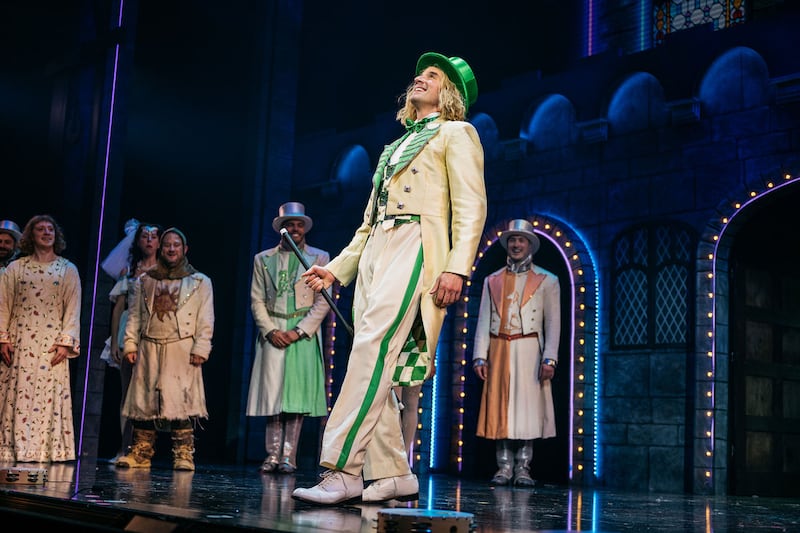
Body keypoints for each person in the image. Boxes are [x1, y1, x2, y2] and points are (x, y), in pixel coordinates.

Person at [293, 51, 486, 505]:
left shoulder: (457, 133)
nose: (420, 78)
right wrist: (337, 268)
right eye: (420, 73)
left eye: (434, 76)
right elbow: (369, 222)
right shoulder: (395, 145)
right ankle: (395, 472)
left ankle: (342, 469)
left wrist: (458, 266)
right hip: (379, 249)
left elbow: (472, 206)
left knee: (370, 350)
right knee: (374, 359)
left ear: (451, 92)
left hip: (418, 245)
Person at [116, 227, 214, 471]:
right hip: (150, 344)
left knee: (180, 399)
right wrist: (130, 343)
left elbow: (206, 318)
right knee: (145, 400)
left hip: (182, 347)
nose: (171, 249)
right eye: (168, 244)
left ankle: (183, 454)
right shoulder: (145, 280)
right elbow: (135, 316)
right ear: (161, 248)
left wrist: (201, 347)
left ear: (184, 249)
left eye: (176, 245)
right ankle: (140, 453)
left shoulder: (200, 282)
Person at [472, 219, 561, 487]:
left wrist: (550, 357)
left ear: (530, 245)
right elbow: (484, 318)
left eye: (521, 240)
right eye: (512, 240)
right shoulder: (493, 280)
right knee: (501, 408)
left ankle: (524, 466)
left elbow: (553, 322)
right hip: (500, 345)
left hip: (530, 348)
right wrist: (479, 354)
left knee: (527, 410)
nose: (516, 244)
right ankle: (504, 466)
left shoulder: (547, 280)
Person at [246, 202, 330, 474]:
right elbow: (256, 298)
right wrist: (270, 330)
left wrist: (299, 330)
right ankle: (271, 454)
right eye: (289, 224)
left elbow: (323, 301)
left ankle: (288, 456)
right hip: (273, 328)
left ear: (304, 228)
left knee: (297, 396)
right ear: (281, 228)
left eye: (298, 224)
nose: (293, 228)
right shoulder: (263, 258)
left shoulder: (319, 258)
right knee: (273, 394)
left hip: (302, 332)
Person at [0, 215, 81, 462]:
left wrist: (66, 341)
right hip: (20, 339)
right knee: (17, 395)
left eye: (50, 229)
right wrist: (3, 338)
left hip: (51, 343)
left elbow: (73, 307)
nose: (46, 233)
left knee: (46, 396)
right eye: (40, 229)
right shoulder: (16, 268)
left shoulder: (67, 268)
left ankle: (41, 449)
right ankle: (10, 448)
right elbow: (3, 304)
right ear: (30, 236)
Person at [99, 220, 162, 463]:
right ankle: (124, 448)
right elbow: (118, 307)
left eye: (154, 236)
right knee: (127, 394)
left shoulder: (164, 269)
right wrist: (115, 341)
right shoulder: (130, 269)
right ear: (137, 241)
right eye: (145, 236)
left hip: (154, 332)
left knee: (149, 394)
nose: (149, 240)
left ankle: (143, 448)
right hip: (130, 333)